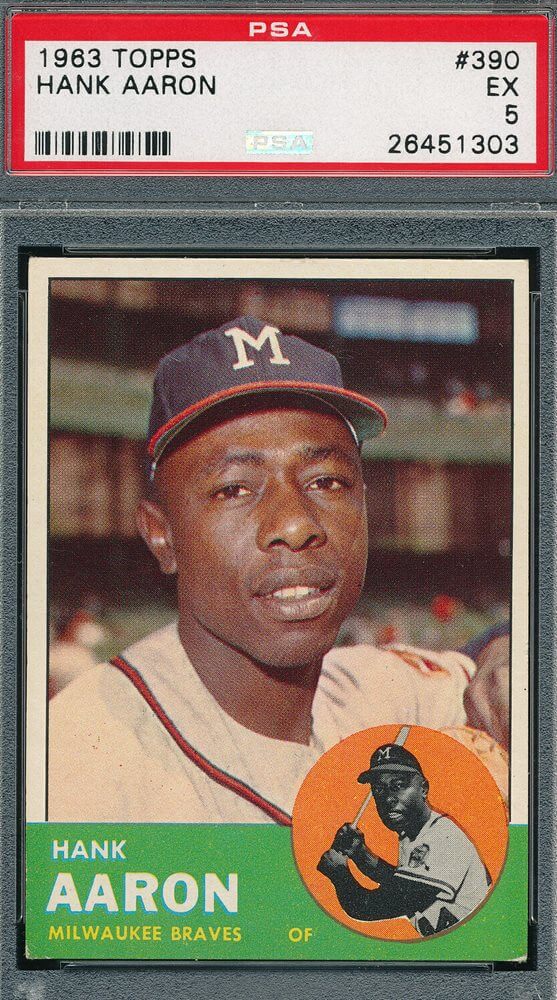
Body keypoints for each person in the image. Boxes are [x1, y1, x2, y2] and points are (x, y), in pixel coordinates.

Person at [48, 316, 508, 823]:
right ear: (163, 535)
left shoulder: (376, 690)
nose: (294, 524)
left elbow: (496, 667)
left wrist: (507, 651)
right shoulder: (76, 767)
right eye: (234, 489)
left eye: (326, 482)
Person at [317, 742, 491, 937]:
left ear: (424, 788)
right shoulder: (414, 833)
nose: (388, 799)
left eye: (398, 786)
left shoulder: (443, 837)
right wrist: (361, 855)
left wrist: (339, 873)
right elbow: (400, 886)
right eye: (379, 789)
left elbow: (368, 907)